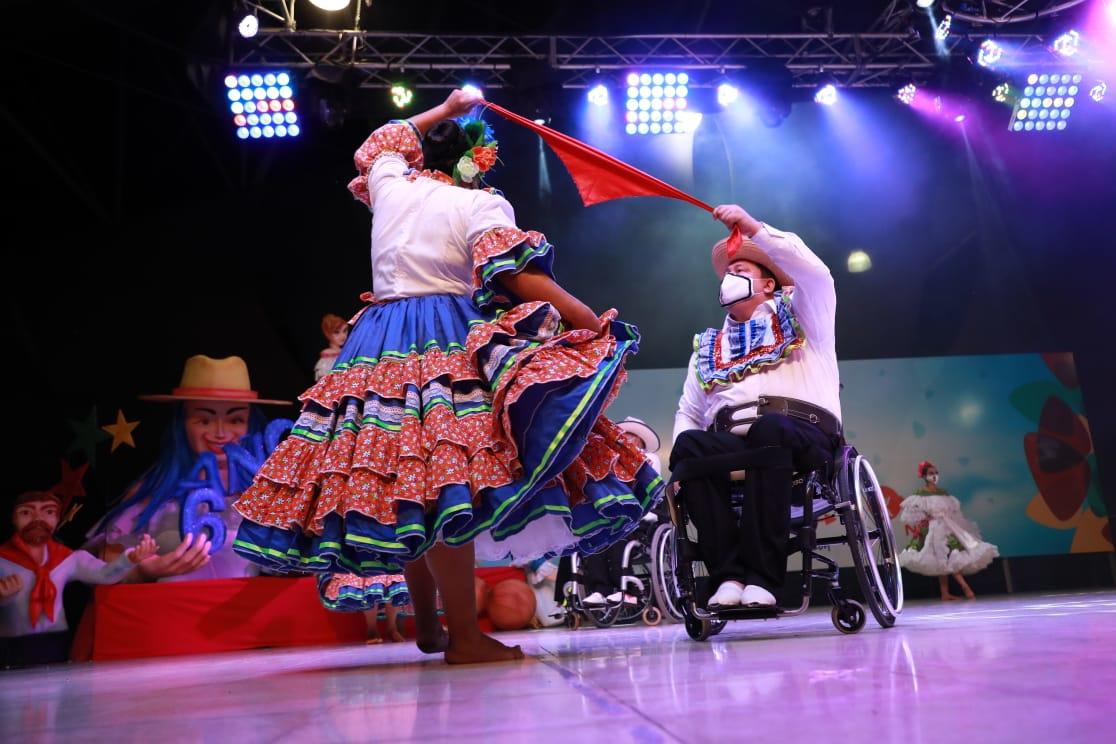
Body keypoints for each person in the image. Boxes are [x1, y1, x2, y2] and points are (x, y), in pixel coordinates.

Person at [232, 89, 662, 664]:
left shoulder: (390, 184)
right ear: (476, 165)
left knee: (411, 480)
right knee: (447, 479)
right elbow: (516, 277)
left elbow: (381, 139)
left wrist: (446, 107)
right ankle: (463, 637)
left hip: (378, 337)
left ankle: (432, 629)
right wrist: (585, 317)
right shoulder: (480, 206)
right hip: (445, 332)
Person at [670, 204, 841, 610]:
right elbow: (689, 413)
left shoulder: (802, 315)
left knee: (770, 429)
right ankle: (728, 575)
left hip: (803, 436)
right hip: (738, 446)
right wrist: (677, 470)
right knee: (690, 446)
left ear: (768, 285)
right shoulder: (707, 348)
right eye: (729, 273)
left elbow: (817, 275)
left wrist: (755, 230)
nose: (731, 279)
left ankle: (764, 577)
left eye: (742, 271)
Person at [88, 355, 292, 581]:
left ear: (250, 423)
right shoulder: (151, 494)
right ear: (182, 423)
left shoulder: (268, 498)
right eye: (204, 420)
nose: (221, 433)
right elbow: (95, 569)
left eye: (235, 420)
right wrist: (142, 572)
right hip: (170, 613)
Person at [0, 490, 158, 665]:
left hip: (54, 645)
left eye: (48, 512)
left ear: (57, 519)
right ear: (13, 519)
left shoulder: (68, 559)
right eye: (26, 512)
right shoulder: (3, 560)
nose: (38, 518)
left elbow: (105, 574)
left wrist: (130, 558)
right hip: (10, 646)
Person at [898, 460, 999, 600]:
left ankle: (945, 593)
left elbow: (953, 513)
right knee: (943, 558)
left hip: (948, 527)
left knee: (950, 556)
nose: (934, 476)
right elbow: (916, 515)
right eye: (931, 473)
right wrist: (923, 526)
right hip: (934, 528)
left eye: (936, 473)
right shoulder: (920, 495)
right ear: (924, 476)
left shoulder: (943, 493)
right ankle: (965, 588)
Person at [315, 314, 350, 381]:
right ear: (328, 334)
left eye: (345, 331)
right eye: (336, 332)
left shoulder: (348, 351)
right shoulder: (327, 359)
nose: (342, 335)